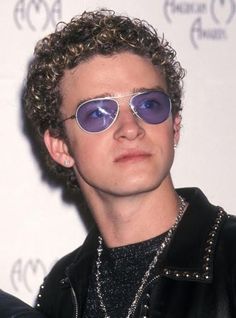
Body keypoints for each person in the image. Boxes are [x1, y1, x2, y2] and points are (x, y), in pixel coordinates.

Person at [23, 9, 236, 318]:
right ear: (60, 146)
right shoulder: (62, 289)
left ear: (174, 125)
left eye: (149, 105)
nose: (131, 128)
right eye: (97, 113)